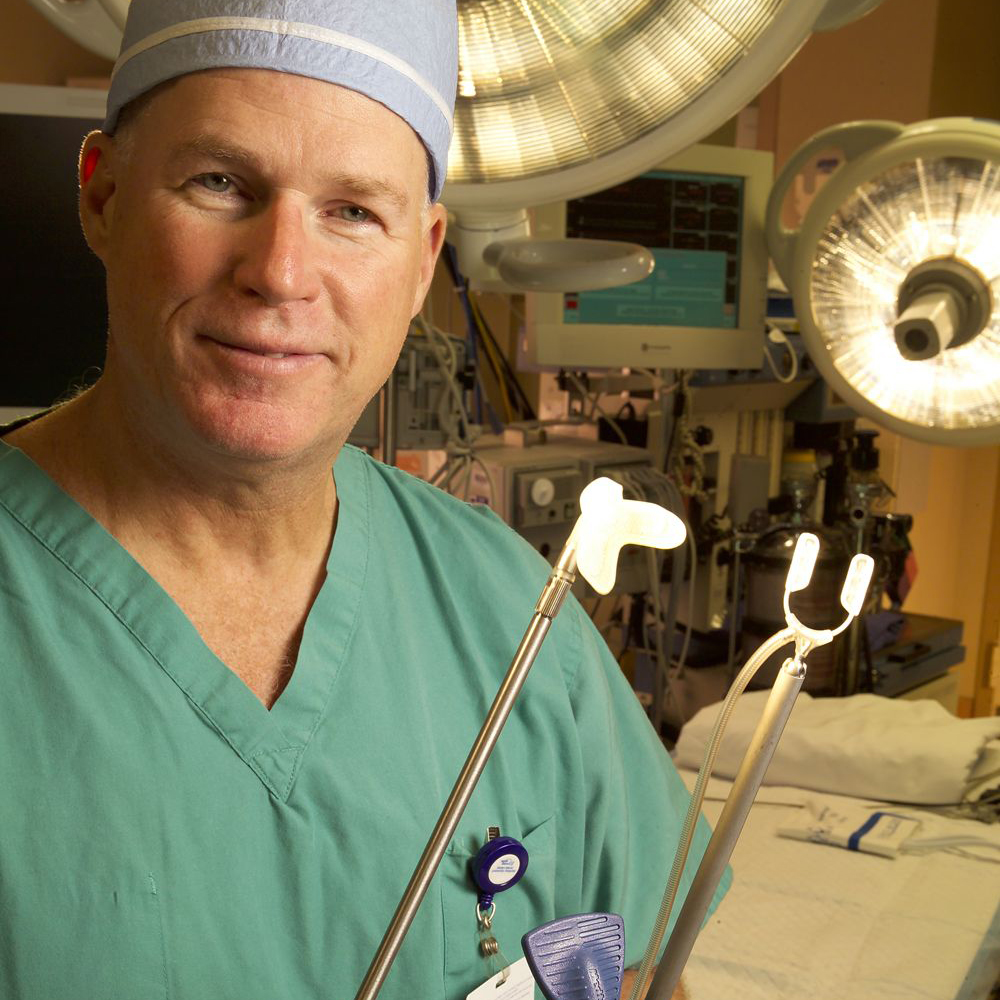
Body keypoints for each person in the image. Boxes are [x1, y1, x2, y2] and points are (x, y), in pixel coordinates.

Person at [0, 2, 727, 997]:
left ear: (424, 259)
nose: (280, 274)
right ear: (103, 195)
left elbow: (644, 967)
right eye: (220, 183)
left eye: (352, 212)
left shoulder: (506, 604)